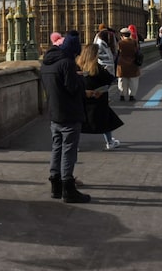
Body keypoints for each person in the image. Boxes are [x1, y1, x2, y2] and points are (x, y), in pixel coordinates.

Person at [40, 30, 90, 203]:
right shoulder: (67, 63)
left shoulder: (46, 63)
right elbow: (72, 88)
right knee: (68, 150)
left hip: (54, 113)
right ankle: (68, 188)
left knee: (57, 148)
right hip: (69, 113)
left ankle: (56, 186)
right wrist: (80, 80)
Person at [77, 43, 124, 150]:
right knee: (105, 121)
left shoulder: (77, 67)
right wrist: (106, 70)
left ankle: (75, 144)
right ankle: (110, 142)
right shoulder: (97, 68)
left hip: (83, 99)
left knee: (79, 122)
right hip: (98, 100)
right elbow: (110, 79)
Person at [116, 27, 141, 101]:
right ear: (129, 34)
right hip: (133, 63)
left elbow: (116, 52)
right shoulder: (134, 42)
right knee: (133, 80)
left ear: (122, 35)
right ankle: (132, 96)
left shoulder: (120, 43)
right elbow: (137, 51)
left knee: (122, 80)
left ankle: (122, 95)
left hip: (122, 64)